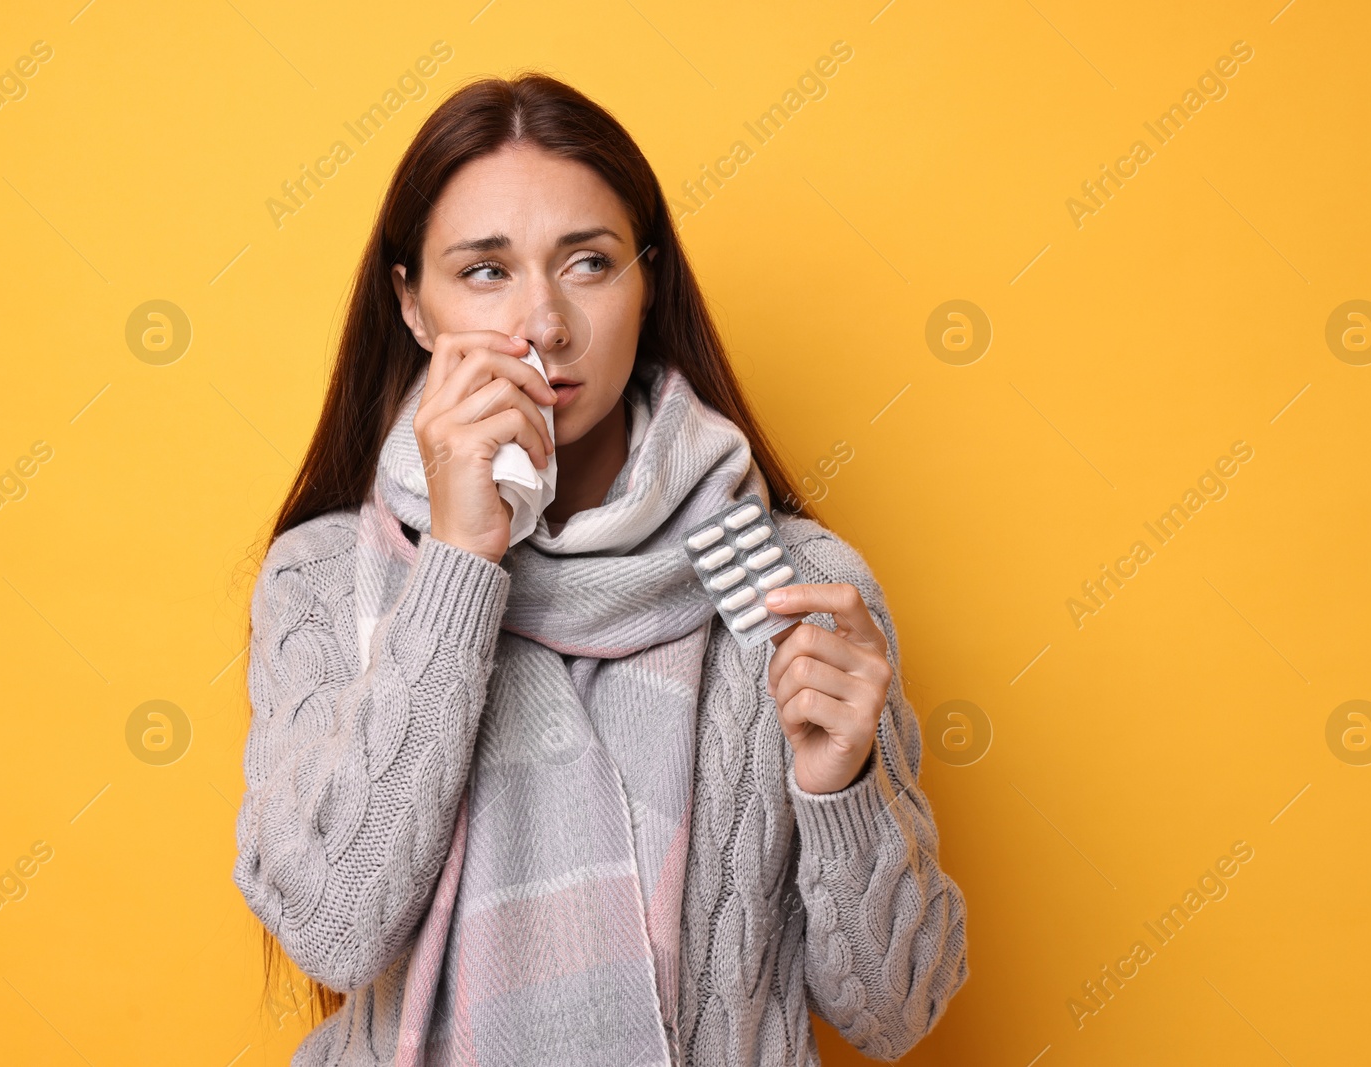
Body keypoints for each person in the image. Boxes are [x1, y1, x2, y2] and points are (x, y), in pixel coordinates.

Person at [232, 72, 967, 1066]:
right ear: (412, 305)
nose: (543, 324)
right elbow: (329, 926)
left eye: (587, 262)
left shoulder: (786, 588)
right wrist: (455, 563)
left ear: (646, 279)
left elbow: (898, 1014)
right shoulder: (324, 579)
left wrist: (844, 792)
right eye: (484, 271)